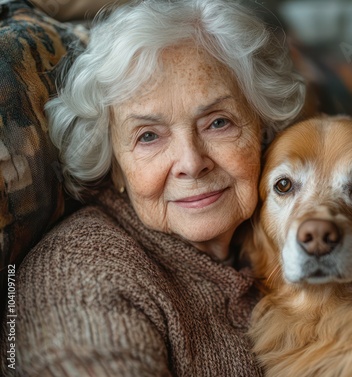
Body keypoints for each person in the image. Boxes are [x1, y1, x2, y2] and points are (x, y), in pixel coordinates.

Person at [5, 0, 306, 375]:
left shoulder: (294, 225)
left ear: (261, 127)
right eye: (148, 136)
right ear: (114, 165)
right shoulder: (82, 277)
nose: (192, 163)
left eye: (218, 123)